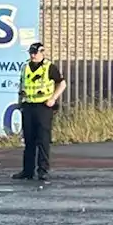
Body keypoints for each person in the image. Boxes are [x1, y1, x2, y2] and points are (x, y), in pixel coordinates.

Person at [14, 42, 66, 184]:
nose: (32, 55)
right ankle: (27, 171)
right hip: (28, 106)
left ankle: (43, 171)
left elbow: (62, 83)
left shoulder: (49, 67)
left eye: (35, 53)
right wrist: (20, 102)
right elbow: (22, 85)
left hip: (43, 107)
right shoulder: (25, 67)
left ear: (42, 52)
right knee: (29, 140)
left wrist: (53, 99)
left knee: (43, 140)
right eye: (31, 53)